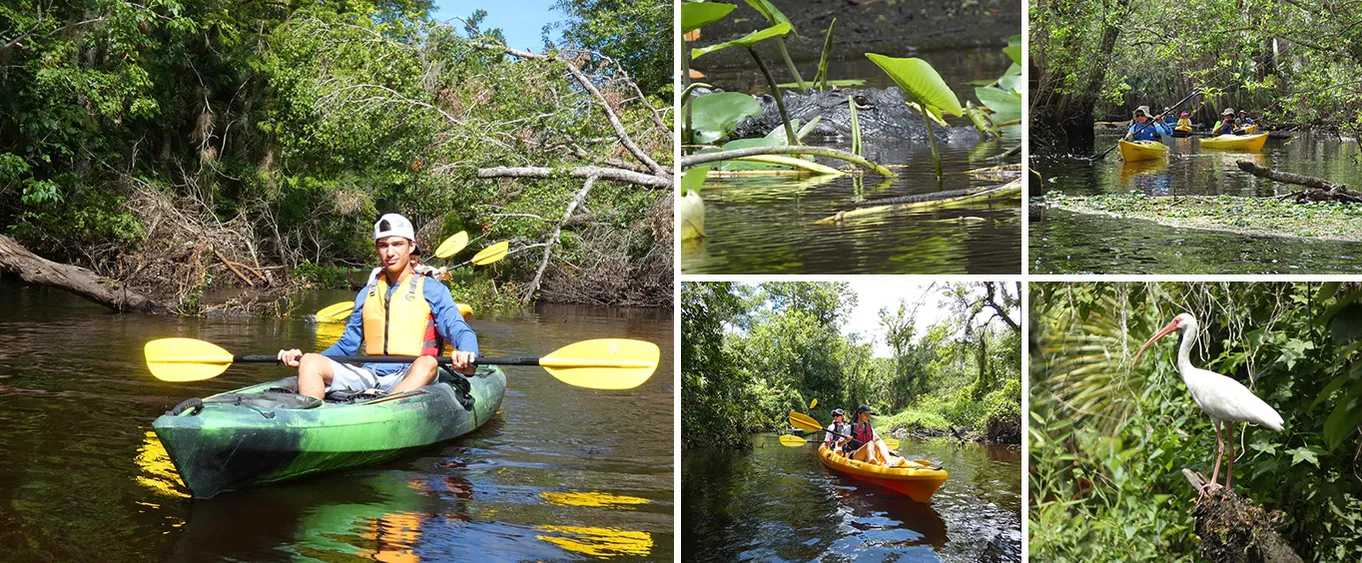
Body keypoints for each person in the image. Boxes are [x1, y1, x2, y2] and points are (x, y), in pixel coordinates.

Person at [278, 213, 479, 400]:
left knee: (428, 363)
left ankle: (384, 411)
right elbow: (347, 345)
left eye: (397, 244)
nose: (390, 252)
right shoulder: (367, 293)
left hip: (412, 373)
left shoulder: (433, 289)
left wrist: (466, 352)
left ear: (411, 247)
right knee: (311, 362)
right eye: (383, 245)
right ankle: (311, 421)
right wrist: (305, 358)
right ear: (377, 249)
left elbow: (459, 330)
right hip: (368, 374)